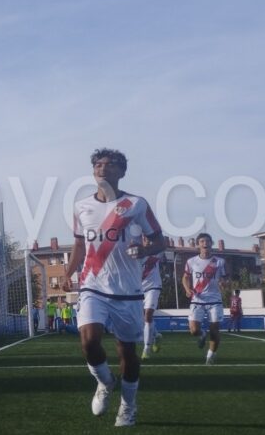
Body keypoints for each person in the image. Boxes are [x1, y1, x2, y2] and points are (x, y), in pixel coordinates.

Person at [63, 148, 165, 428]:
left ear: (122, 171)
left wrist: (145, 249)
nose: (102, 168)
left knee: (127, 353)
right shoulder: (81, 206)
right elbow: (80, 245)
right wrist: (69, 271)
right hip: (92, 285)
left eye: (110, 164)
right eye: (98, 164)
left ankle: (128, 405)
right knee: (88, 340)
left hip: (128, 290)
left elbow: (159, 241)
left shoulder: (136, 204)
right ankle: (105, 382)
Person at [182, 233, 228, 365]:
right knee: (194, 330)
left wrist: (224, 284)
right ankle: (202, 334)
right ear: (198, 245)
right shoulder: (191, 261)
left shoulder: (220, 262)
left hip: (215, 301)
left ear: (211, 243)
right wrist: (187, 289)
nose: (205, 243)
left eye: (207, 241)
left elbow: (225, 279)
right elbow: (185, 277)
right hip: (197, 299)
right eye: (202, 241)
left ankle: (210, 356)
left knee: (214, 330)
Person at [140, 254, 162, 359]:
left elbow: (162, 244)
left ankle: (146, 349)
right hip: (138, 288)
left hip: (153, 286)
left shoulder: (156, 251)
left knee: (148, 315)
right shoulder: (132, 252)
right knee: (142, 318)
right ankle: (156, 335)